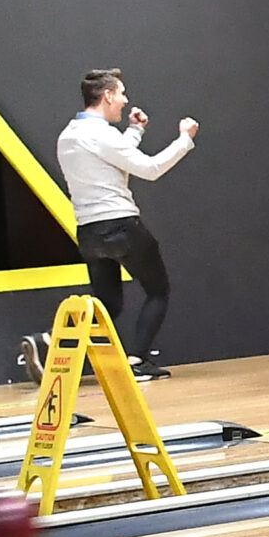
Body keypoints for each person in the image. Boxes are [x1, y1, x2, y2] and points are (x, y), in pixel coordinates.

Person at [56, 69, 195, 379]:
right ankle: (137, 361)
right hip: (120, 225)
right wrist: (185, 139)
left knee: (108, 304)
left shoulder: (70, 134)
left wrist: (135, 130)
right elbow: (150, 168)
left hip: (88, 232)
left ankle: (61, 350)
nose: (125, 99)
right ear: (106, 96)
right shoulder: (100, 134)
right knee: (158, 290)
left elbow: (112, 157)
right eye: (120, 93)